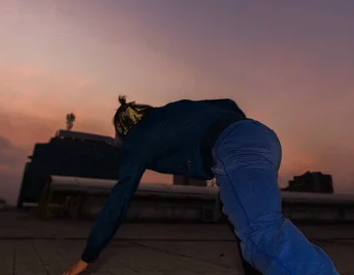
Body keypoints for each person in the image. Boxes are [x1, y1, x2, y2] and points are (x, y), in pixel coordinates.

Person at [63, 96, 339, 275]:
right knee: (243, 222)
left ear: (124, 129)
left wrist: (87, 257)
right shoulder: (173, 111)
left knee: (261, 232)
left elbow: (120, 198)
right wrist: (236, 128)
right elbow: (228, 104)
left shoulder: (138, 137)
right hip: (261, 139)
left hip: (236, 148)